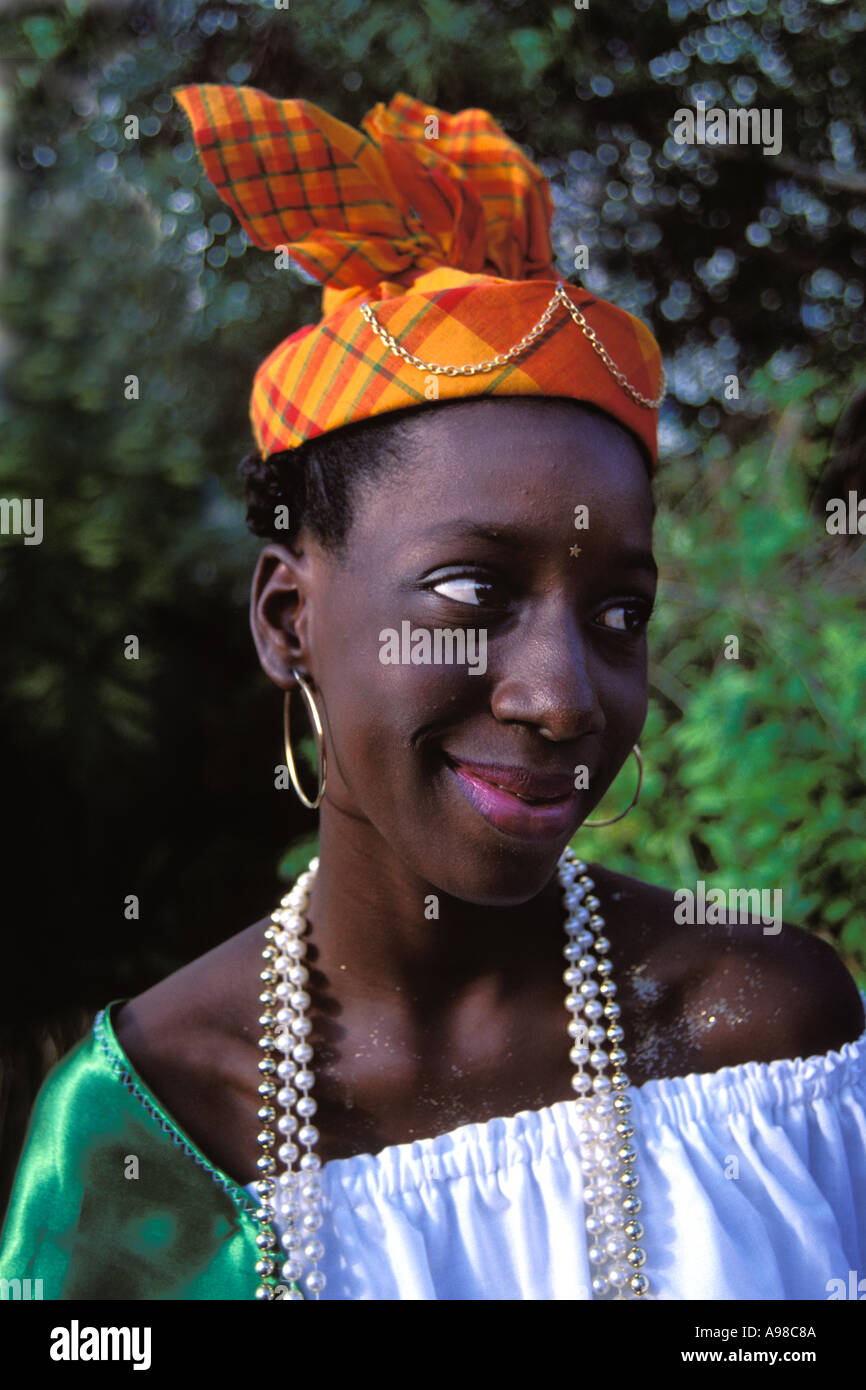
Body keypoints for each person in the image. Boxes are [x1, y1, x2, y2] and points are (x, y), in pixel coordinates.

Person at [1, 84, 864, 1302]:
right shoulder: (153, 1127)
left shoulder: (768, 1031)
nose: (563, 699)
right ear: (287, 618)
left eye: (619, 611)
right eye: (468, 590)